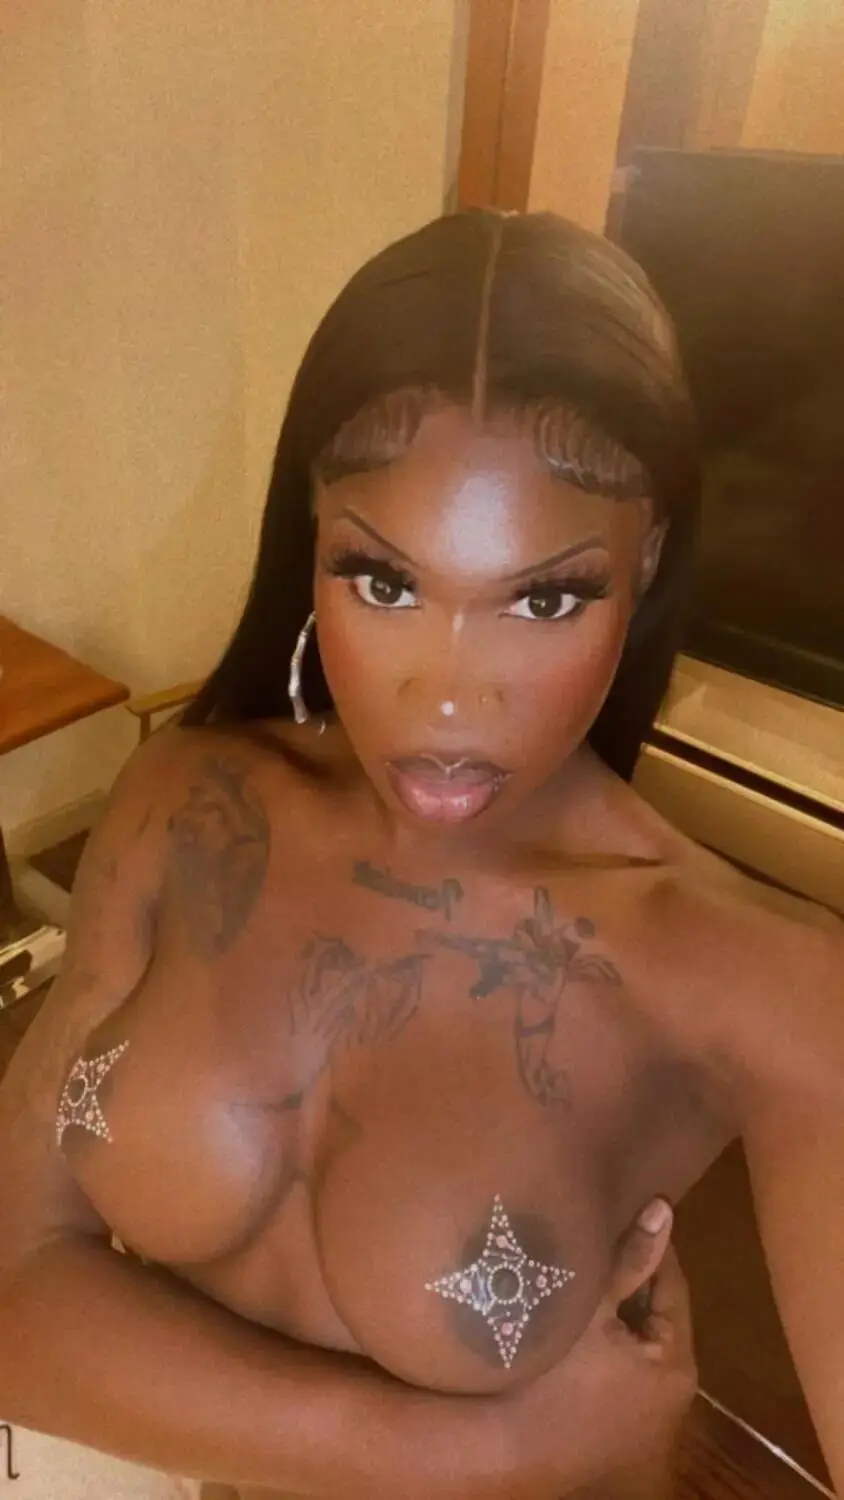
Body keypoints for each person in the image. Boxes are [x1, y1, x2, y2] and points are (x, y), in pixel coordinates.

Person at [0, 209, 841, 1500]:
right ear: (313, 534)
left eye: (544, 597)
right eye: (385, 582)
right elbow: (13, 1283)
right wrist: (476, 1449)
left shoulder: (766, 982)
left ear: (648, 559)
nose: (447, 700)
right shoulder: (183, 801)